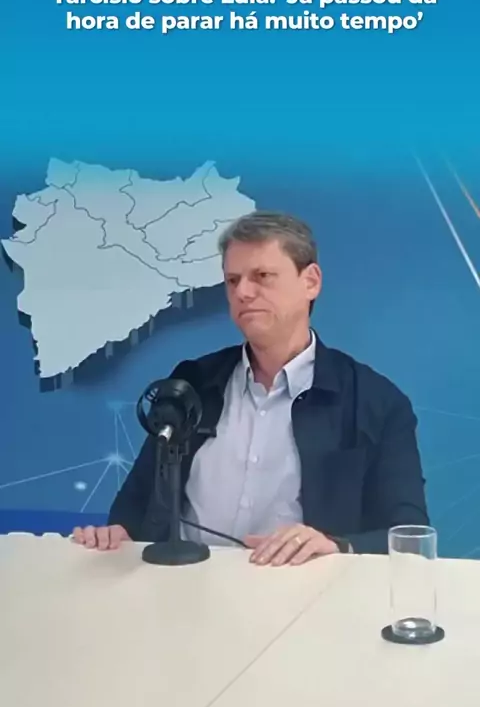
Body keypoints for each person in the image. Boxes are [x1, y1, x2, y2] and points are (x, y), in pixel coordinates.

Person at [73, 211, 428, 565]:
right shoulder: (192, 382)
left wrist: (337, 545)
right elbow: (136, 500)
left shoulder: (376, 402)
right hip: (181, 581)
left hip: (306, 588)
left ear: (311, 282)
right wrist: (118, 533)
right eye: (232, 280)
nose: (242, 292)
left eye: (262, 276)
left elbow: (408, 534)